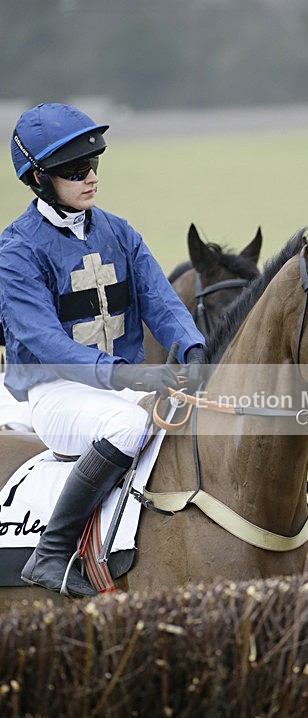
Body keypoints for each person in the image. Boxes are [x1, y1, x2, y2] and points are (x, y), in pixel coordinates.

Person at [0, 102, 207, 597]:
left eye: (93, 164)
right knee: (129, 424)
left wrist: (193, 350)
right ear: (39, 179)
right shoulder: (16, 251)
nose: (90, 177)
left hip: (117, 387)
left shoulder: (119, 231)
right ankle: (51, 554)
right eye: (74, 171)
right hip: (57, 396)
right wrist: (127, 376)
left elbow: (161, 301)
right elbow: (45, 342)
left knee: (187, 424)